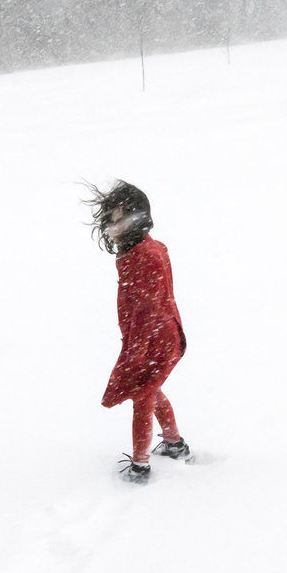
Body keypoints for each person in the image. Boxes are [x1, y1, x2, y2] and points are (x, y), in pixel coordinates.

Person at [87, 180, 190, 483]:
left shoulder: (146, 256)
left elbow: (147, 310)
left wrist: (136, 353)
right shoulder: (142, 250)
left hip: (155, 341)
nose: (113, 226)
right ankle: (175, 445)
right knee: (151, 390)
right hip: (154, 337)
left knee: (142, 397)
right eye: (111, 219)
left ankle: (140, 466)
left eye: (120, 219)